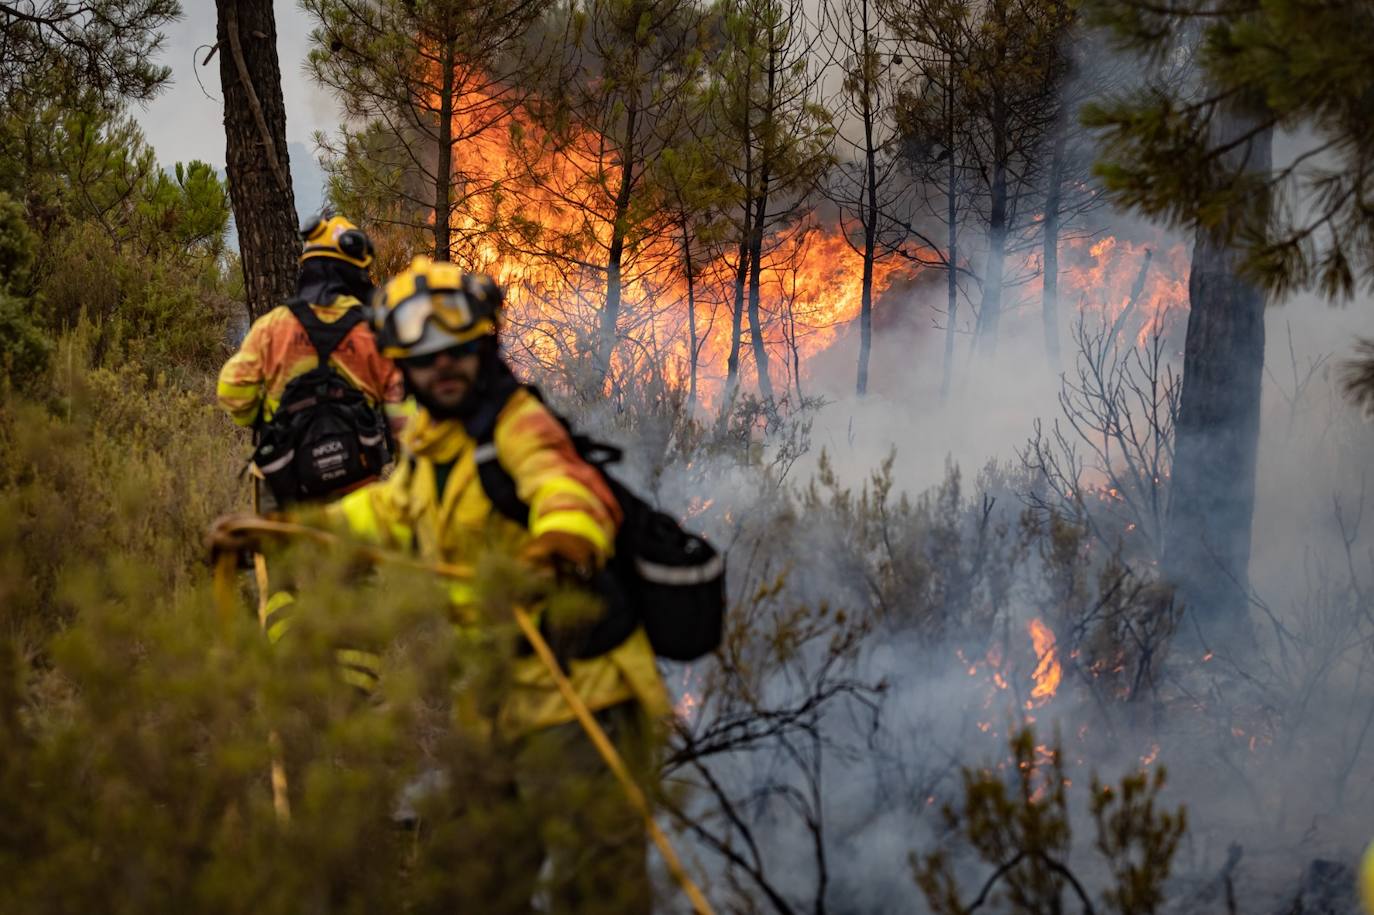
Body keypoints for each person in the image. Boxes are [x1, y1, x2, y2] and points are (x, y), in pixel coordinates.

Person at [209, 255, 669, 913]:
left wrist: (557, 545)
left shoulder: (516, 424)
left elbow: (570, 490)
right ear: (407, 364)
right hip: (500, 697)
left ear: (482, 348)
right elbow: (387, 510)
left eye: (456, 352)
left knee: (592, 888)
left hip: (585, 695)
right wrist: (282, 534)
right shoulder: (434, 443)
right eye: (425, 357)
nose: (442, 368)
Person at [217, 213, 411, 505]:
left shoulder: (272, 327)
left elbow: (231, 391)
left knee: (279, 551)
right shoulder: (375, 334)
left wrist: (265, 421)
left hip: (283, 481)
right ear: (356, 274)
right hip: (356, 485)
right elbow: (403, 417)